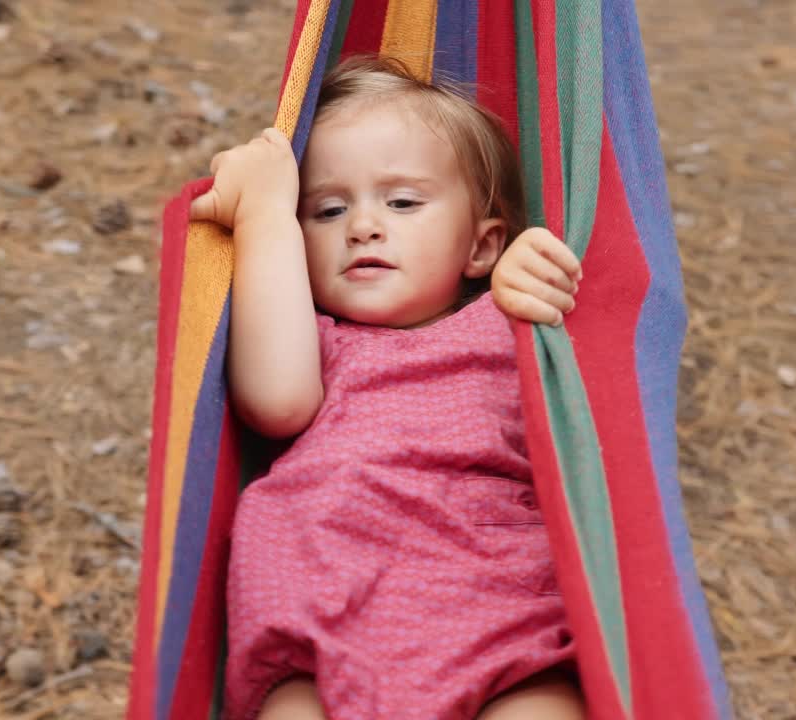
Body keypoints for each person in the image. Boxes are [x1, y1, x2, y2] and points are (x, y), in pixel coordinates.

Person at [189, 56, 587, 720]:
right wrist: (264, 216)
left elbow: (608, 341)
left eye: (402, 202)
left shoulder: (513, 321)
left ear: (482, 246)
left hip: (499, 613)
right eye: (325, 209)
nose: (362, 226)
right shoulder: (312, 339)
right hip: (327, 622)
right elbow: (276, 400)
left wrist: (532, 269)